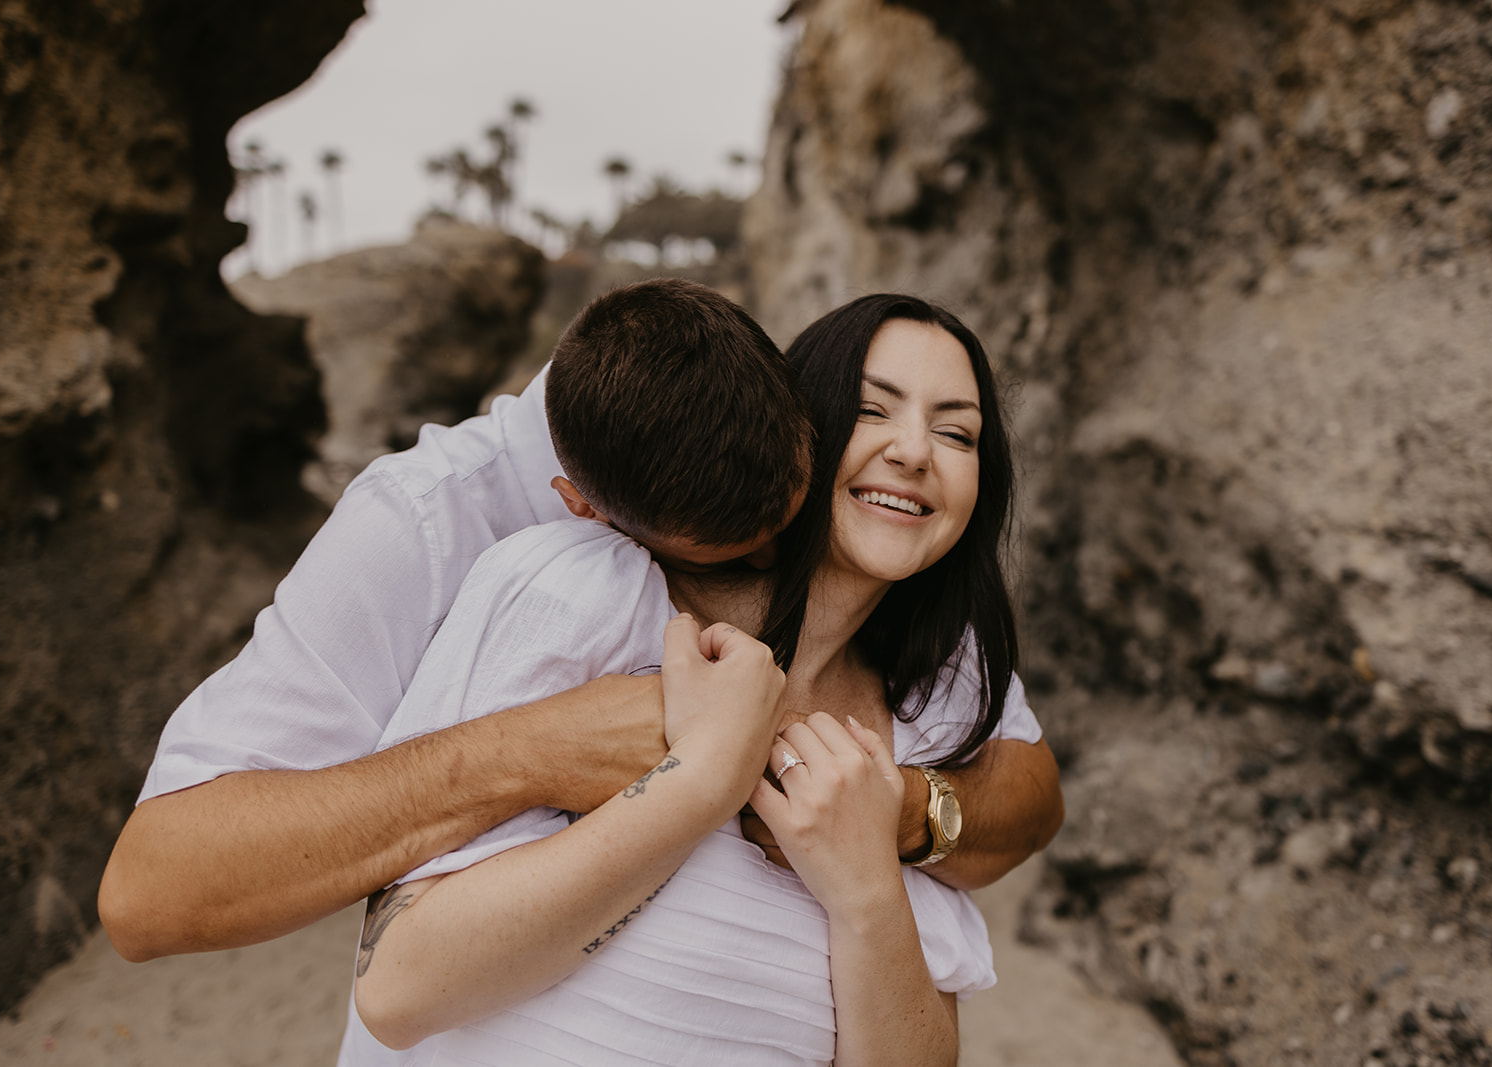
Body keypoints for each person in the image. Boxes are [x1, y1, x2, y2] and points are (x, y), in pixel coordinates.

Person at [98, 280, 1063, 965]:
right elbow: (151, 894)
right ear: (585, 511)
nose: (777, 567)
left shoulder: (735, 421)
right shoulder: (428, 523)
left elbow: (1025, 780)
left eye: (793, 522)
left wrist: (897, 810)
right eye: (730, 558)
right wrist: (523, 753)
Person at [344, 294, 1042, 1065]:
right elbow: (398, 991)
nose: (915, 450)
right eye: (873, 410)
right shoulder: (585, 595)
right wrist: (703, 778)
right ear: (795, 431)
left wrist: (868, 883)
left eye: (957, 432)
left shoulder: (929, 717)